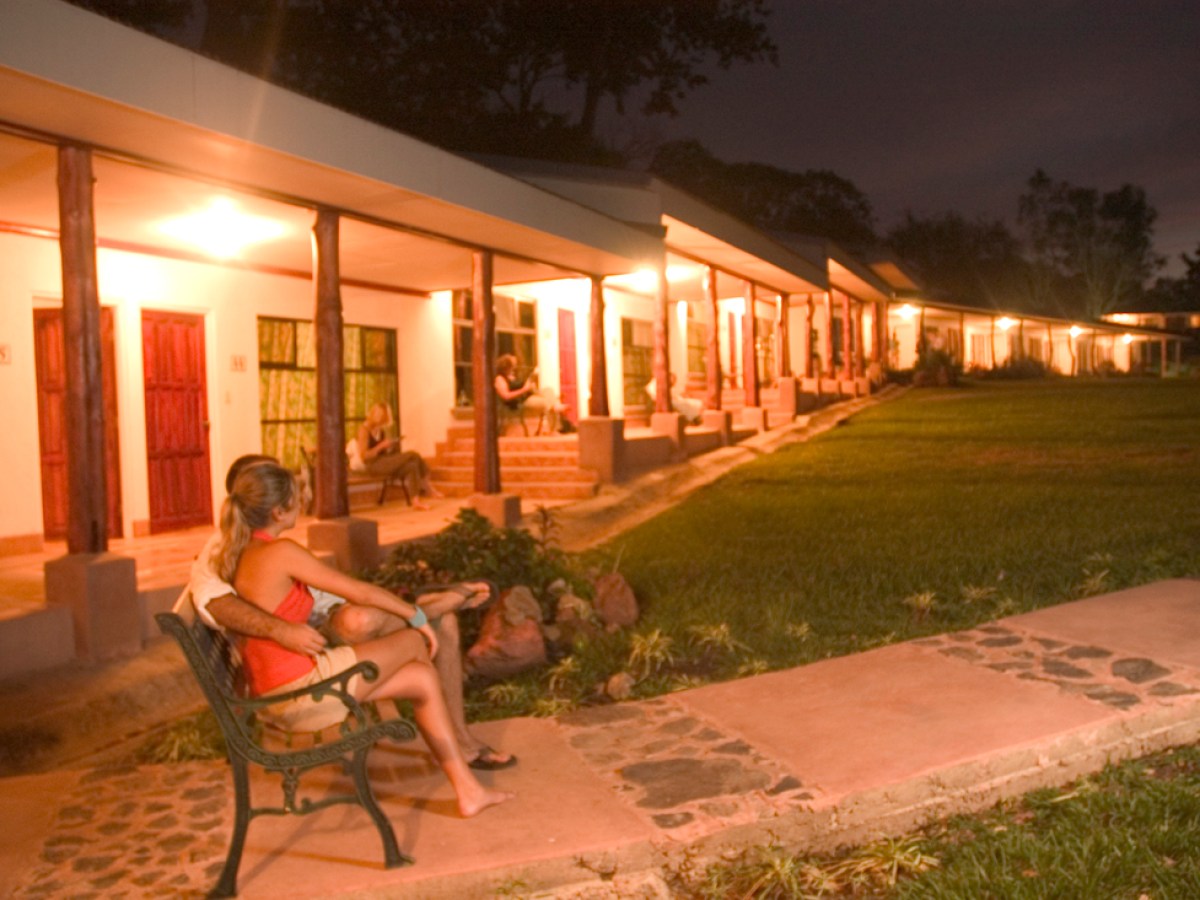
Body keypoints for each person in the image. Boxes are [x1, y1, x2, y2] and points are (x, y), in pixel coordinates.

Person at [175, 454, 515, 770]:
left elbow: (338, 591)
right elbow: (215, 603)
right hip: (310, 649)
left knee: (437, 623)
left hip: (324, 623)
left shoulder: (265, 542)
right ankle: (431, 607)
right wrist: (280, 629)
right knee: (379, 621)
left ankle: (462, 741)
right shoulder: (225, 548)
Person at [349, 402, 442, 508]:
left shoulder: (380, 430)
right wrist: (381, 446)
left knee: (412, 466)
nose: (382, 423)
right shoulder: (364, 430)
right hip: (372, 466)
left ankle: (416, 502)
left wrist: (389, 447)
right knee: (413, 454)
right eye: (382, 419)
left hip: (383, 461)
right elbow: (364, 456)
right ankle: (428, 488)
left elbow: (383, 452)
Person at [494, 354, 561, 435]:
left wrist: (529, 384)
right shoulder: (499, 379)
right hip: (521, 401)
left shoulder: (510, 376)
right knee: (547, 402)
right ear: (506, 366)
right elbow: (506, 396)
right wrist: (524, 389)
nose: (514, 368)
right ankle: (555, 422)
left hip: (528, 395)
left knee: (548, 391)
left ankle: (556, 406)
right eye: (512, 366)